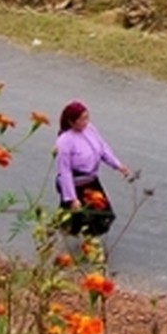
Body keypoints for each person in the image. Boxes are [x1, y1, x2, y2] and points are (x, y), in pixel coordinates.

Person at [53, 100, 130, 236]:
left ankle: (84, 240)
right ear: (71, 122)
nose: (86, 122)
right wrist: (72, 198)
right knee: (78, 218)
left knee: (103, 213)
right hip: (75, 185)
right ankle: (60, 239)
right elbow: (64, 171)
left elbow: (102, 148)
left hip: (91, 181)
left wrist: (118, 165)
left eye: (87, 117)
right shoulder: (64, 141)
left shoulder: (90, 130)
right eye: (82, 119)